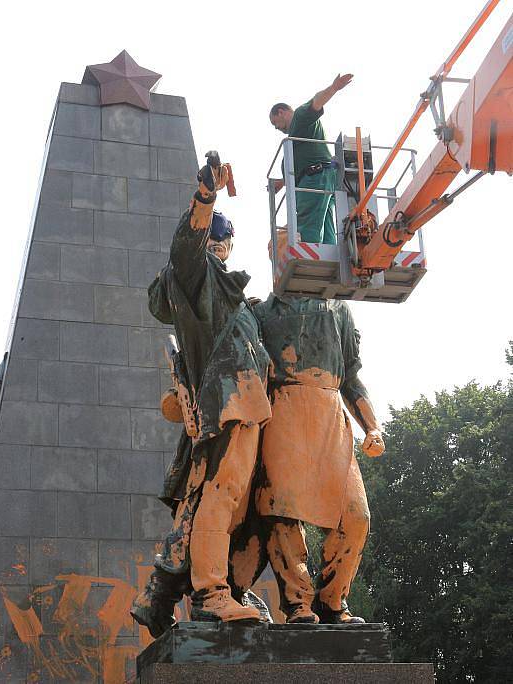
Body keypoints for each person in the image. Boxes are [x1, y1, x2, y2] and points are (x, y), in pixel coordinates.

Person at [131, 153, 272, 634]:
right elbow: (185, 253)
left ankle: (171, 595)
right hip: (227, 404)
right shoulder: (197, 275)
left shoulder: (232, 298)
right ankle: (211, 592)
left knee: (219, 503)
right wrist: (205, 196)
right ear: (224, 243)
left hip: (246, 406)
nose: (222, 246)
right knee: (220, 495)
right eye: (220, 239)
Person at [254, 294, 385, 623]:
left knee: (357, 517)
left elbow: (351, 379)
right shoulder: (260, 312)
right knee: (280, 511)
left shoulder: (338, 308)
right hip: (282, 410)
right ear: (275, 249)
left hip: (330, 416)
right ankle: (297, 602)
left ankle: (332, 599)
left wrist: (372, 427)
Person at [269, 73, 353, 244]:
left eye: (275, 122)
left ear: (281, 112)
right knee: (325, 223)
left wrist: (334, 88)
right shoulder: (296, 133)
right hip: (319, 177)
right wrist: (283, 181)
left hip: (314, 178)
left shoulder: (300, 117)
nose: (276, 128)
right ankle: (328, 257)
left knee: (308, 223)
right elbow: (301, 162)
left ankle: (308, 257)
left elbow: (316, 101)